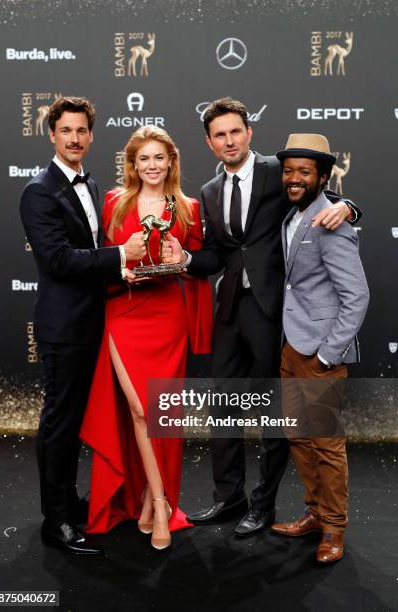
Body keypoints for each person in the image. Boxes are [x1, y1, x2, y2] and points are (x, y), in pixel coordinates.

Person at [162, 97, 361, 536]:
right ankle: (227, 497)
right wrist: (185, 259)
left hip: (276, 311)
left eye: (236, 131)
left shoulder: (280, 170)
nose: (229, 140)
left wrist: (350, 207)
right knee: (225, 406)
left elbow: (320, 195)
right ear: (210, 143)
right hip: (231, 308)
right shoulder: (211, 192)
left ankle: (262, 505)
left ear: (249, 133)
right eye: (219, 135)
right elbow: (217, 254)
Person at [20, 96, 144, 555]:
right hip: (64, 327)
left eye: (81, 131)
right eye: (65, 131)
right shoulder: (38, 190)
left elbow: (87, 254)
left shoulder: (89, 186)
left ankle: (71, 505)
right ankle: (57, 522)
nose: (74, 138)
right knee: (60, 423)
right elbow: (56, 261)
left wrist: (120, 270)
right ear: (51, 135)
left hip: (94, 323)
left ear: (91, 136)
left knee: (75, 421)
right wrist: (119, 257)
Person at [80, 126, 213, 550]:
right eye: (144, 159)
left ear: (171, 161)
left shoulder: (188, 208)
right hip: (123, 311)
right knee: (139, 409)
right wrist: (122, 267)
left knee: (159, 414)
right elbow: (101, 259)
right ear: (133, 164)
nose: (152, 166)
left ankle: (148, 496)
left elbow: (202, 262)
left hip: (167, 317)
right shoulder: (115, 204)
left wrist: (183, 258)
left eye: (160, 158)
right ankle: (159, 502)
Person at [270, 133, 369, 563]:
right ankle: (314, 514)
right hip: (291, 346)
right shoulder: (292, 215)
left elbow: (357, 296)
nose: (294, 179)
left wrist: (328, 354)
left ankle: (334, 529)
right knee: (299, 436)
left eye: (303, 172)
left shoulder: (332, 221)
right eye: (289, 171)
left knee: (325, 443)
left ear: (323, 177)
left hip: (320, 354)